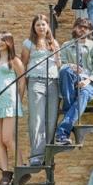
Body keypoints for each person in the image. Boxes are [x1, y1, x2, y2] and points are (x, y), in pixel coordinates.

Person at [20, 14, 61, 170]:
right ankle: (37, 156)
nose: (41, 27)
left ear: (47, 26)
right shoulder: (28, 43)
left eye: (43, 24)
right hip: (36, 81)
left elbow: (58, 64)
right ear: (34, 27)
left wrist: (58, 57)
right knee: (37, 119)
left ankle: (48, 155)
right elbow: (23, 65)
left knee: (51, 120)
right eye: (38, 25)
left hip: (53, 82)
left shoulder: (54, 43)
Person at [54, 17, 93, 146]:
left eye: (86, 27)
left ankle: (62, 133)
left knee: (84, 93)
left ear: (90, 31)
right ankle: (70, 114)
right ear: (75, 28)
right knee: (65, 70)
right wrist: (70, 65)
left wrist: (87, 81)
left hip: (90, 83)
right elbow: (61, 66)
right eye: (80, 26)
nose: (82, 29)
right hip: (71, 81)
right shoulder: (66, 46)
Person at [0, 31, 25, 185]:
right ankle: (5, 173)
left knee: (7, 138)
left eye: (3, 39)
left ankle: (22, 168)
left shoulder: (14, 60)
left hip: (10, 101)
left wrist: (19, 101)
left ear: (9, 42)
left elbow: (22, 81)